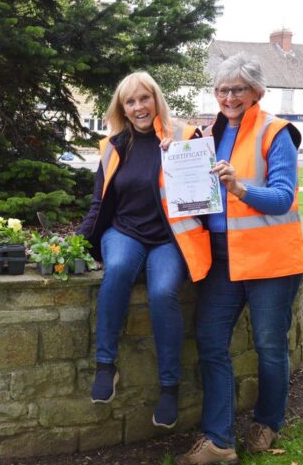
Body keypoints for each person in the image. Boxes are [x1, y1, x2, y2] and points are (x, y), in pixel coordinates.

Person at [174, 52, 303, 465]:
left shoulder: (275, 132)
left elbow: (283, 197)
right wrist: (171, 151)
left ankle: (267, 422)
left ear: (256, 93)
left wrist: (240, 188)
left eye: (237, 89)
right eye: (221, 89)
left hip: (270, 261)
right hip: (222, 260)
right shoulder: (206, 133)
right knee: (211, 342)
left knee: (270, 346)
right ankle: (219, 440)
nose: (228, 96)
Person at [77, 71, 211, 428]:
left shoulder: (184, 137)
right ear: (122, 108)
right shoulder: (114, 146)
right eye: (130, 101)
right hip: (124, 231)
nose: (138, 107)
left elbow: (204, 197)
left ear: (156, 99)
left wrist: (182, 159)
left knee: (164, 291)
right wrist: (76, 243)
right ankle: (106, 366)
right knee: (118, 268)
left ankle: (169, 388)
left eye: (144, 98)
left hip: (169, 238)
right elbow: (97, 203)